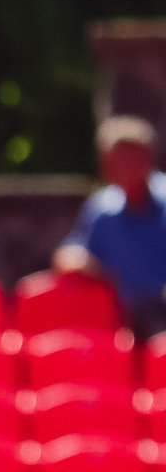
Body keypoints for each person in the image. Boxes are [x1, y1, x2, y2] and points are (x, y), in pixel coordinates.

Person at [54, 115, 166, 337]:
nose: (120, 168)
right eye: (113, 161)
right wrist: (80, 261)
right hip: (122, 320)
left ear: (147, 157)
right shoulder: (102, 207)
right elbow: (69, 253)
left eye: (128, 160)